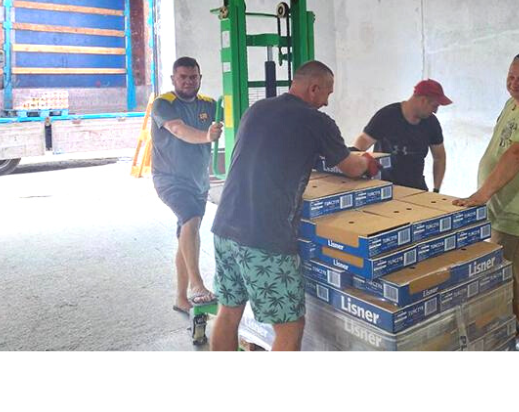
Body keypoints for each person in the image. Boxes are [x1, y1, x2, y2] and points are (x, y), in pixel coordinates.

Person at [209, 60, 380, 351]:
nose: (327, 101)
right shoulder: (317, 122)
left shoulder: (258, 109)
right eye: (327, 92)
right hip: (265, 238)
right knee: (290, 326)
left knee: (228, 311)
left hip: (225, 226)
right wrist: (368, 162)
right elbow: (351, 167)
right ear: (314, 88)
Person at [452, 51, 519, 351]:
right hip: (506, 212)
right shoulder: (514, 105)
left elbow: (516, 154)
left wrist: (481, 195)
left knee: (517, 294)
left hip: (517, 217)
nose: (513, 84)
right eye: (510, 77)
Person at [150, 57, 223, 313]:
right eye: (183, 77)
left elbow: (236, 124)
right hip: (169, 179)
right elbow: (178, 130)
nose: (189, 82)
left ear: (200, 78)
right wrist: (206, 135)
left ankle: (181, 298)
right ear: (173, 79)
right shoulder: (164, 104)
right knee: (190, 220)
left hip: (198, 181)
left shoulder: (210, 105)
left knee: (186, 233)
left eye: (193, 77)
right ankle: (197, 286)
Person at [352, 79, 451, 191]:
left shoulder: (431, 123)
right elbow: (363, 141)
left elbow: (439, 157)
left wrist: (436, 190)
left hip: (416, 188)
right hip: (385, 187)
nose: (436, 111)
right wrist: (353, 168)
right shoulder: (387, 116)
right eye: (434, 106)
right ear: (423, 100)